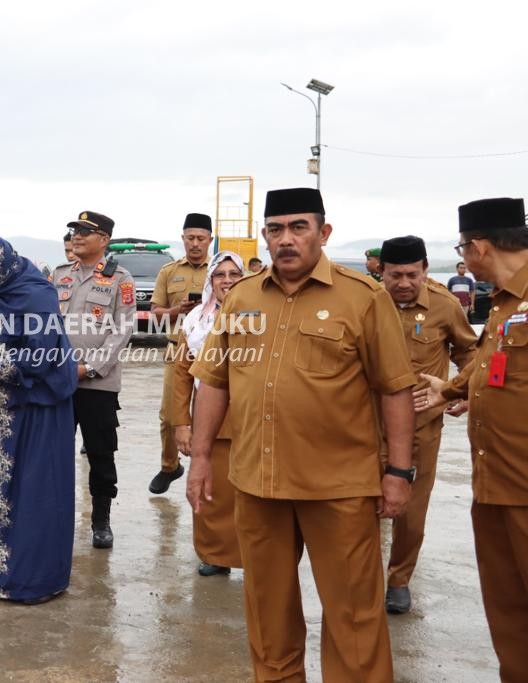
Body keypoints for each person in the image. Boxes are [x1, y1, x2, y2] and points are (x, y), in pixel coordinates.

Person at [188, 188, 417, 681]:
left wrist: (399, 471)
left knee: (354, 614)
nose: (285, 240)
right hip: (257, 481)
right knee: (268, 611)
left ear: (323, 233)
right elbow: (214, 381)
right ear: (264, 236)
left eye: (298, 228)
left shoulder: (363, 297)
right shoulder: (242, 297)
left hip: (339, 486)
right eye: (275, 230)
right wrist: (201, 458)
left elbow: (395, 390)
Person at [414, 197, 528, 682]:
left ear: (478, 246)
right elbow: (499, 371)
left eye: (463, 248)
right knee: (509, 611)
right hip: (496, 483)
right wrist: (453, 389)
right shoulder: (503, 305)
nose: (464, 257)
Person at [0, 235, 78, 603]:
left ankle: (31, 580)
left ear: (2, 264)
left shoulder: (37, 297)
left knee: (32, 495)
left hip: (36, 412)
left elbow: (44, 356)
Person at [377, 235, 478, 615]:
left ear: (424, 270)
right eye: (395, 275)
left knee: (411, 510)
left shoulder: (444, 306)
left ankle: (399, 579)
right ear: (381, 273)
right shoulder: (365, 305)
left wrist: (461, 392)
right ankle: (364, 576)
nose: (404, 283)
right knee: (360, 503)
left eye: (412, 275)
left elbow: (471, 352)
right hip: (367, 424)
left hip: (422, 425)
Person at [50, 211, 135, 549]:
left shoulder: (120, 279)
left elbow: (122, 330)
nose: (78, 236)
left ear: (105, 240)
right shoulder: (58, 276)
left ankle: (101, 520)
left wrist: (88, 368)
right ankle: (55, 515)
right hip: (58, 381)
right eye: (75, 230)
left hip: (97, 384)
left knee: (101, 453)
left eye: (86, 231)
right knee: (55, 451)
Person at [169, 251, 245, 576]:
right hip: (210, 419)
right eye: (220, 275)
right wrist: (182, 424)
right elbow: (182, 374)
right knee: (210, 491)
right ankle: (214, 555)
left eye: (234, 274)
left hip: (254, 418)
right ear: (211, 280)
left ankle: (254, 558)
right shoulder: (195, 320)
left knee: (253, 496)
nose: (227, 280)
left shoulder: (260, 316)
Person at [148, 213, 212, 495]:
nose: (195, 244)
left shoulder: (223, 269)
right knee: (170, 415)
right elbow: (155, 313)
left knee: (219, 415)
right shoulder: (168, 271)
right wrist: (177, 311)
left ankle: (219, 463)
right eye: (190, 238)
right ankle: (169, 466)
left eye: (201, 238)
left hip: (216, 353)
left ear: (210, 239)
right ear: (183, 239)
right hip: (178, 351)